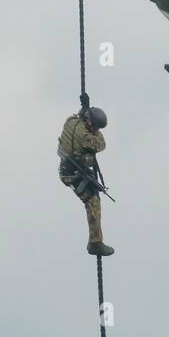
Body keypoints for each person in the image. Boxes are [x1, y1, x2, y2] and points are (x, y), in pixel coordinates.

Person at [58, 106, 114, 256]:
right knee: (93, 201)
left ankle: (96, 241)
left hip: (72, 169)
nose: (94, 128)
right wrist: (95, 132)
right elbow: (101, 144)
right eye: (93, 126)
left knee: (94, 191)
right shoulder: (85, 137)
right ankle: (95, 243)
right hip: (72, 174)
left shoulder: (70, 121)